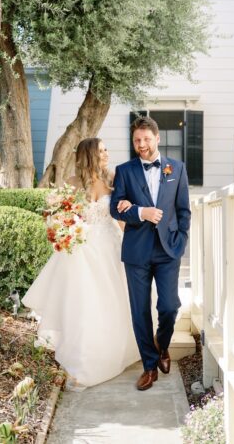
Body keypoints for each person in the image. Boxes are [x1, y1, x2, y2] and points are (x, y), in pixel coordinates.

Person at [22, 138, 139, 390]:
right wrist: (63, 228)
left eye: (107, 149)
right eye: (102, 150)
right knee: (83, 305)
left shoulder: (114, 180)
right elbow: (59, 215)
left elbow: (120, 219)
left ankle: (109, 352)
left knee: (111, 301)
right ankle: (82, 363)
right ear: (89, 155)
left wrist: (136, 244)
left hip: (109, 248)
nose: (107, 153)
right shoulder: (72, 183)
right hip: (80, 251)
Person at [110, 116, 191, 391]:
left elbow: (183, 210)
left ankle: (162, 344)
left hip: (169, 249)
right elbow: (114, 208)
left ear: (157, 138)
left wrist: (181, 240)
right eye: (137, 140)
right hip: (137, 251)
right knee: (139, 311)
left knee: (169, 306)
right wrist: (140, 212)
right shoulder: (124, 171)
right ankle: (149, 366)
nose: (141, 144)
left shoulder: (176, 168)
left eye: (146, 139)